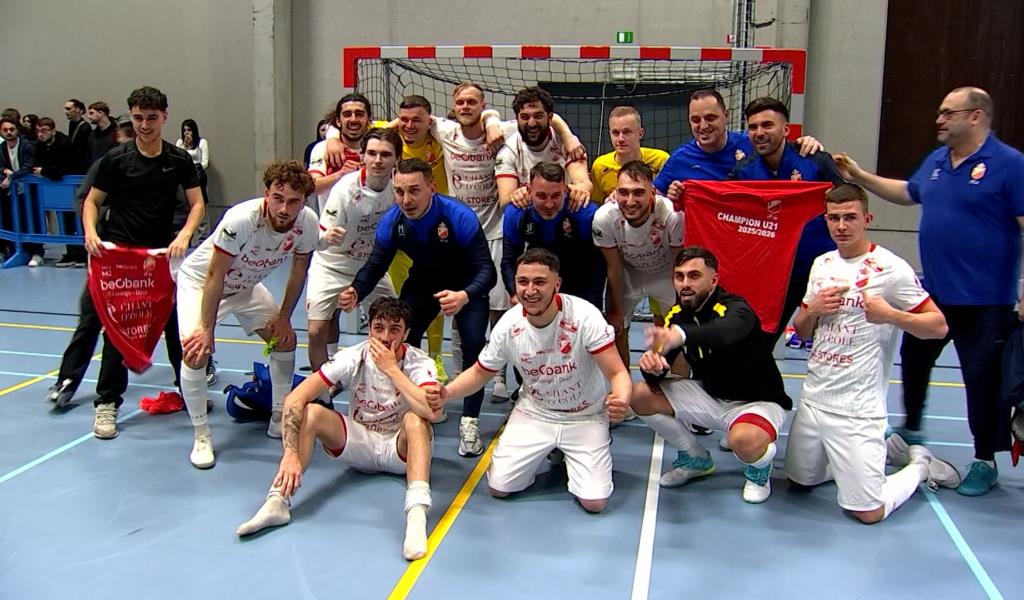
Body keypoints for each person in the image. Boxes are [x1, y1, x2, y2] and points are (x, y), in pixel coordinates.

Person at [834, 86, 1024, 496]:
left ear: (975, 116)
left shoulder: (1010, 165)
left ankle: (984, 460)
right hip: (935, 294)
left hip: (986, 301)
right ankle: (912, 429)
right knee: (915, 359)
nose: (939, 120)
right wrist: (859, 176)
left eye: (948, 113)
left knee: (982, 381)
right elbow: (907, 192)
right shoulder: (938, 161)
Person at [786, 182, 960, 522]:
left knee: (867, 511)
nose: (841, 226)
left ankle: (921, 465)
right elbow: (802, 331)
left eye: (850, 217)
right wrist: (811, 311)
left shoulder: (890, 267)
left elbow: (939, 326)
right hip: (814, 399)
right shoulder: (822, 264)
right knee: (799, 481)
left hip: (858, 407)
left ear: (867, 219)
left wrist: (891, 315)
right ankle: (870, 459)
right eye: (834, 218)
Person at [51, 86, 204, 439]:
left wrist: (184, 235)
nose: (145, 125)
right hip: (120, 259)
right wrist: (90, 233)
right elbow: (91, 202)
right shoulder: (116, 160)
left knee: (177, 328)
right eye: (138, 118)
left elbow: (197, 204)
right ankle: (107, 403)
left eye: (152, 118)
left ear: (164, 117)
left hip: (162, 258)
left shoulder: (179, 160)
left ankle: (190, 392)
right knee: (116, 332)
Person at [236, 297, 439, 561]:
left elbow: (431, 412)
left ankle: (416, 516)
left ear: (406, 334)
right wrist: (290, 454)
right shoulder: (353, 356)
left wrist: (391, 369)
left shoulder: (419, 362)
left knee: (416, 420)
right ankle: (277, 501)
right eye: (378, 328)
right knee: (312, 412)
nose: (385, 337)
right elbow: (296, 398)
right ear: (369, 330)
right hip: (360, 443)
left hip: (399, 449)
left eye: (394, 329)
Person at [434, 248, 631, 512]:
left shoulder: (585, 316)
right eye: (523, 282)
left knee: (594, 503)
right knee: (500, 487)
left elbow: (618, 373)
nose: (530, 290)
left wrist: (621, 398)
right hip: (536, 412)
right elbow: (480, 372)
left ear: (557, 284)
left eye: (540, 282)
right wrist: (447, 393)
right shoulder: (509, 325)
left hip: (585, 414)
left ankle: (586, 445)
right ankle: (552, 448)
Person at [339, 158, 496, 457]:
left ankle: (470, 421)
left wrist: (464, 296)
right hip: (424, 282)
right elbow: (375, 265)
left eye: (414, 191)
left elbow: (487, 271)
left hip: (466, 284)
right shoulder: (393, 221)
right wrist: (355, 291)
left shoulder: (459, 216)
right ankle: (408, 407)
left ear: (431, 188)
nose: (406, 200)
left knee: (474, 342)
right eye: (399, 192)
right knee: (402, 338)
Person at [175, 160, 319, 469]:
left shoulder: (308, 223)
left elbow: (299, 272)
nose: (284, 208)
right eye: (278, 198)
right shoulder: (240, 219)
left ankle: (280, 417)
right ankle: (201, 434)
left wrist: (283, 318)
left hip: (246, 286)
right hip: (202, 284)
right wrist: (206, 329)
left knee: (284, 340)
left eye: (293, 202)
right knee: (195, 352)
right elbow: (215, 275)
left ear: (304, 202)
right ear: (267, 193)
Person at [633, 246, 791, 503]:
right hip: (710, 396)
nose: (685, 284)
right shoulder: (677, 315)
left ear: (713, 280)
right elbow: (659, 368)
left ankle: (759, 469)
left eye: (694, 276)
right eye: (679, 276)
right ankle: (696, 458)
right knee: (640, 394)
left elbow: (726, 331)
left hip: (757, 402)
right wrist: (652, 368)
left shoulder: (736, 309)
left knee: (744, 440)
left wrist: (681, 336)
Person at [728, 96, 843, 344]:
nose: (759, 132)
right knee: (758, 343)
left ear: (786, 129)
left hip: (820, 269)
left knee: (834, 342)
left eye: (767, 125)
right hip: (775, 274)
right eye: (753, 127)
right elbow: (723, 210)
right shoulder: (742, 172)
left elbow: (846, 202)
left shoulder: (814, 160)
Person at [306, 127, 401, 383]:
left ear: (396, 159)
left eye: (385, 154)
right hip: (332, 265)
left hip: (370, 268)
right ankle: (323, 387)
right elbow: (322, 235)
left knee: (393, 323)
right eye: (372, 153)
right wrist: (327, 237)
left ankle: (384, 381)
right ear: (363, 156)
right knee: (316, 331)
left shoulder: (398, 188)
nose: (377, 160)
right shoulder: (345, 188)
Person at [654, 89, 822, 208]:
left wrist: (804, 143)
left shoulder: (752, 142)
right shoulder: (679, 160)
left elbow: (781, 148)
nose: (703, 126)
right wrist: (671, 198)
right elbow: (654, 199)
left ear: (726, 116)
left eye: (710, 118)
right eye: (696, 120)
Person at [592, 160, 683, 368]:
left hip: (665, 273)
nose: (630, 201)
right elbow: (614, 267)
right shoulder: (604, 217)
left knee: (677, 332)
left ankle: (676, 383)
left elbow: (680, 264)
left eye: (638, 193)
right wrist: (616, 310)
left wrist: (681, 308)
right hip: (628, 274)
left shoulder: (672, 215)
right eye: (623, 192)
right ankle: (624, 384)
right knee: (616, 329)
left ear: (653, 193)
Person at [502, 162, 605, 309]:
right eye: (541, 196)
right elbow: (509, 260)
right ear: (529, 191)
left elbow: (597, 264)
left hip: (580, 275)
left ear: (566, 190)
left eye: (556, 195)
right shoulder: (516, 213)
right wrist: (514, 293)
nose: (549, 204)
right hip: (538, 279)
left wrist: (592, 305)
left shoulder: (583, 211)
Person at [496, 87, 591, 209]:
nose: (531, 123)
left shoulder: (569, 145)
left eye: (538, 116)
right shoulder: (508, 151)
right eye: (525, 117)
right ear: (516, 119)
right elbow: (504, 201)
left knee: (586, 209)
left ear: (550, 117)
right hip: (529, 212)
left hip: (561, 210)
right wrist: (516, 196)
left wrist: (579, 190)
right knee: (512, 212)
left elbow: (584, 182)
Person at [590, 106, 669, 203]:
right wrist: (608, 202)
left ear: (640, 134)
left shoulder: (661, 160)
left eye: (626, 132)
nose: (620, 139)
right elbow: (596, 204)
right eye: (615, 133)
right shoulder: (600, 166)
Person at [0, 117, 42, 263]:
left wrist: (12, 176)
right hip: (11, 192)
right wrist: (5, 171)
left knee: (32, 221)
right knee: (11, 220)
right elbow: (1, 165)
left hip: (29, 191)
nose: (9, 132)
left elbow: (29, 167)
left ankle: (37, 253)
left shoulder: (27, 146)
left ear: (17, 130)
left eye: (12, 129)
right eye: (5, 130)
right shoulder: (1, 147)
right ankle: (15, 250)